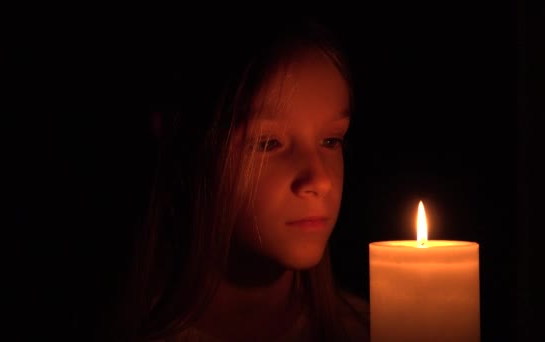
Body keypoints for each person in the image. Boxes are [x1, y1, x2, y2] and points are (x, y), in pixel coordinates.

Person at [105, 16, 369, 342]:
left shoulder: (374, 330)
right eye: (268, 143)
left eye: (330, 141)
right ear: (187, 151)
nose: (320, 180)